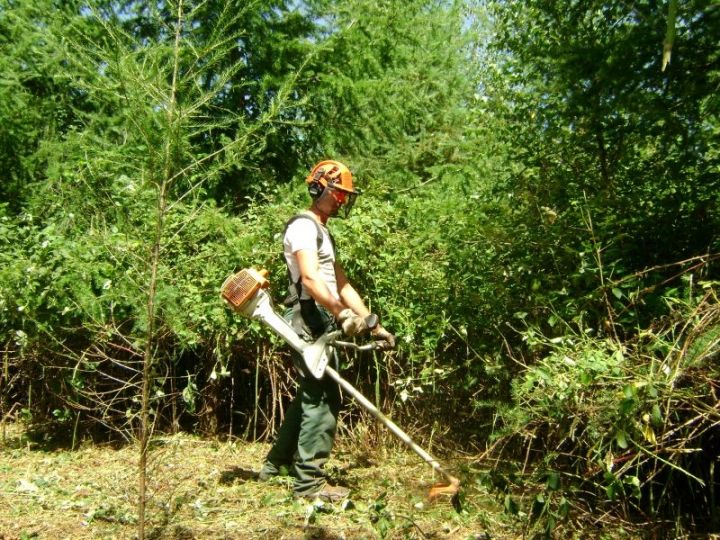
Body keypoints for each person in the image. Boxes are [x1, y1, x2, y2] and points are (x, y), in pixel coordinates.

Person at [258, 159, 396, 501]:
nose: (343, 201)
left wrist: (371, 322)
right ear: (320, 187)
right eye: (339, 193)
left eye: (346, 196)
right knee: (322, 395)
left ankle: (276, 465)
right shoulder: (303, 227)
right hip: (309, 315)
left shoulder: (321, 230)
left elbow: (341, 283)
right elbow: (310, 279)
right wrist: (340, 314)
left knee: (312, 391)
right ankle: (309, 485)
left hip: (323, 312)